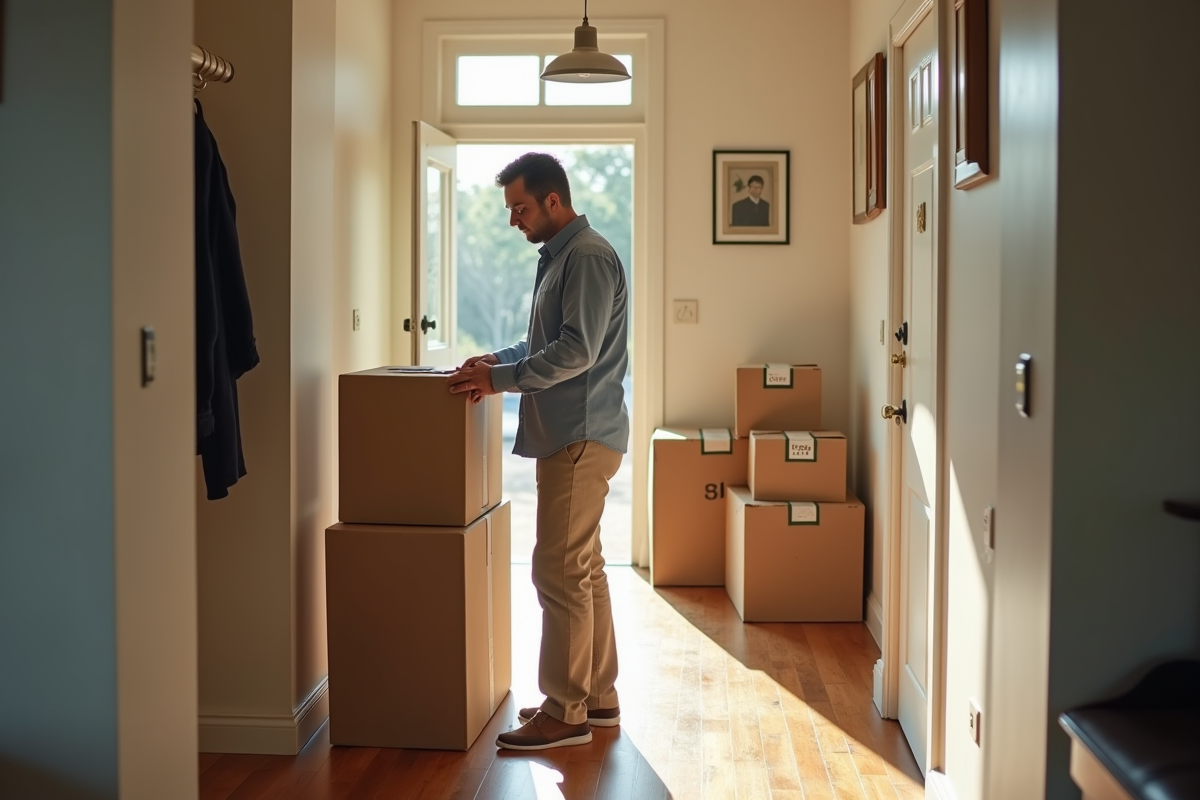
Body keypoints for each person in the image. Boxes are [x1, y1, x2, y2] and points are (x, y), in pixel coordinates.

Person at [447, 153, 629, 751]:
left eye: (520, 209)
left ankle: (564, 711)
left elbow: (576, 352)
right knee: (583, 569)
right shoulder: (560, 258)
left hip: (579, 435)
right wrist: (495, 363)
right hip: (572, 434)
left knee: (556, 572)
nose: (513, 222)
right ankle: (596, 700)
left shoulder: (589, 257)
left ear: (554, 201)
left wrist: (499, 383)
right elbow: (544, 342)